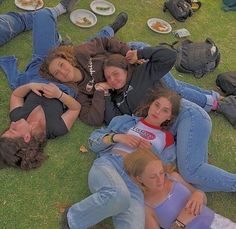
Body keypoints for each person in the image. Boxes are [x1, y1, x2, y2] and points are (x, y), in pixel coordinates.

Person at [62, 87, 182, 229]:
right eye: (157, 105)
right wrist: (118, 137)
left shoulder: (166, 139)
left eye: (165, 110)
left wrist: (151, 152)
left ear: (170, 117)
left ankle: (110, 204)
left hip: (135, 181)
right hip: (111, 164)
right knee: (119, 195)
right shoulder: (126, 121)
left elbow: (167, 169)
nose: (157, 111)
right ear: (150, 104)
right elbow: (93, 143)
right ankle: (73, 217)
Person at [0, 0, 83, 169]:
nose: (12, 124)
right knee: (91, 51)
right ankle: (58, 44)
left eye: (9, 128)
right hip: (65, 78)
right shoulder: (55, 129)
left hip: (39, 68)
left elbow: (16, 94)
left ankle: (57, 32)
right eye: (13, 130)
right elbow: (76, 108)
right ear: (27, 138)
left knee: (43, 15)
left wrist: (30, 87)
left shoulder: (16, 117)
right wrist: (59, 95)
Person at [124, 148, 236, 229]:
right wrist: (180, 223)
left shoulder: (173, 178)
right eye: (153, 177)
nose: (160, 180)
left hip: (218, 223)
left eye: (161, 172)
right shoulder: (145, 207)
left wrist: (199, 194)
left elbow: (204, 200)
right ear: (139, 179)